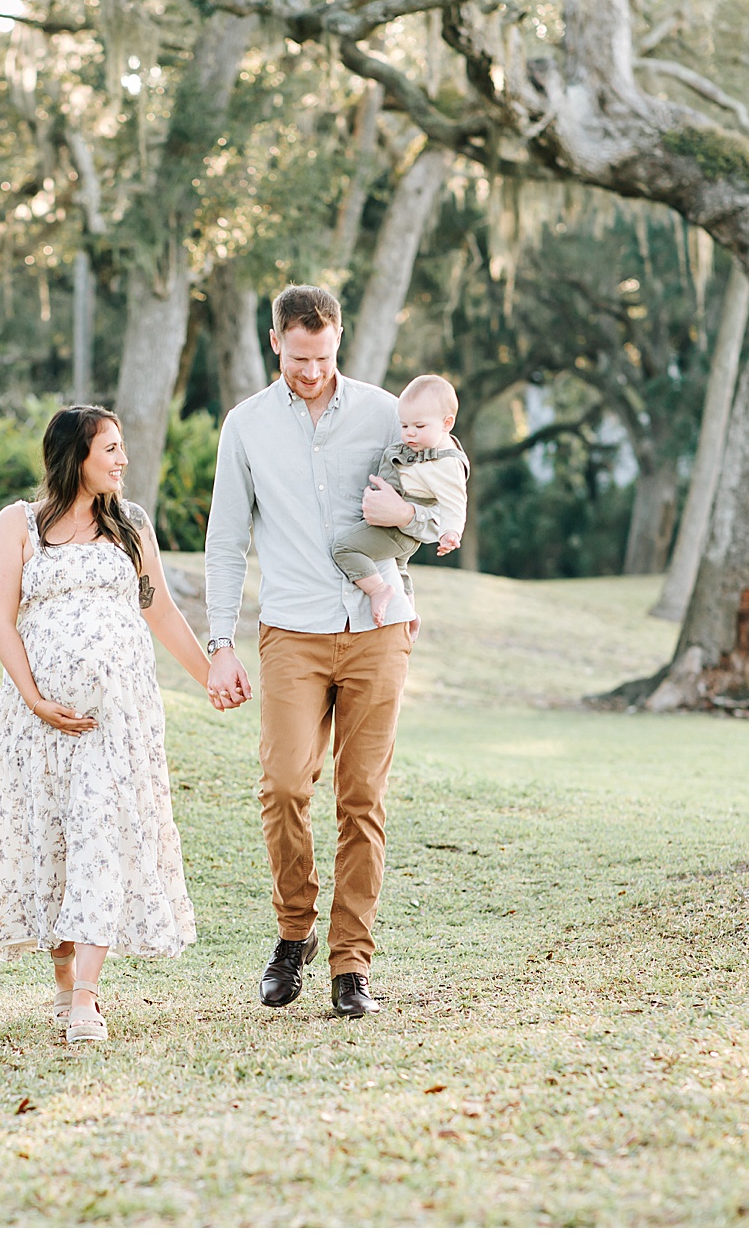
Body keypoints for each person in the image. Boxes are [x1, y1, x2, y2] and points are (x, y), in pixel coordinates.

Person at [0, 406, 218, 1044]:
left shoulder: (131, 525)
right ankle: (62, 984)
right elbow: (0, 618)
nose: (122, 459)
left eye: (121, 448)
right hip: (37, 724)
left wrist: (210, 674)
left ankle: (87, 997)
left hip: (117, 721)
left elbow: (159, 611)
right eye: (109, 448)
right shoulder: (19, 523)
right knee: (53, 842)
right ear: (74, 455)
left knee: (102, 835)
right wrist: (34, 699)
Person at [203, 284, 459, 1019]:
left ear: (337, 341)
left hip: (377, 631)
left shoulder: (387, 411)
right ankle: (294, 933)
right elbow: (225, 542)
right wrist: (221, 643)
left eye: (322, 356)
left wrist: (408, 516)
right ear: (275, 341)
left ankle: (352, 965)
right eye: (297, 356)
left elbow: (447, 491)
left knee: (362, 798)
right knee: (284, 785)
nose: (310, 370)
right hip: (292, 630)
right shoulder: (245, 425)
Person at [330, 374, 468, 627]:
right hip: (399, 530)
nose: (409, 434)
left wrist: (450, 532)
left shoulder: (447, 464)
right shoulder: (421, 447)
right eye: (404, 426)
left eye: (419, 427)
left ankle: (377, 590)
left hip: (398, 530)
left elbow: (454, 502)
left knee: (344, 548)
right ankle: (409, 616)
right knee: (399, 570)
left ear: (446, 423)